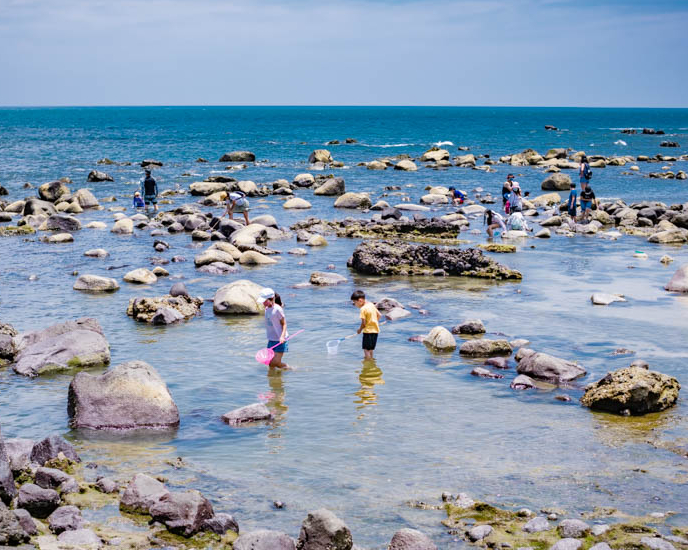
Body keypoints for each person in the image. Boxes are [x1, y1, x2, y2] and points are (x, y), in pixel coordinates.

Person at [258, 288, 290, 369]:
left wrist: (282, 336)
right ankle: (272, 379)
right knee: (270, 364)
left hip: (280, 340)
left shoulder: (278, 309)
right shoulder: (266, 309)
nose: (263, 303)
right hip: (271, 339)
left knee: (275, 362)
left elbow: (284, 324)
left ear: (271, 299)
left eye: (264, 301)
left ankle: (288, 368)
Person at [351, 290, 381, 360]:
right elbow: (379, 315)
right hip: (375, 331)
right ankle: (371, 361)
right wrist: (375, 323)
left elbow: (363, 324)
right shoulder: (371, 304)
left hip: (368, 332)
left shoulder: (363, 309)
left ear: (360, 300)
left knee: (366, 349)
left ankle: (368, 363)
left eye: (355, 302)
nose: (354, 304)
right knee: (370, 349)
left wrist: (359, 330)